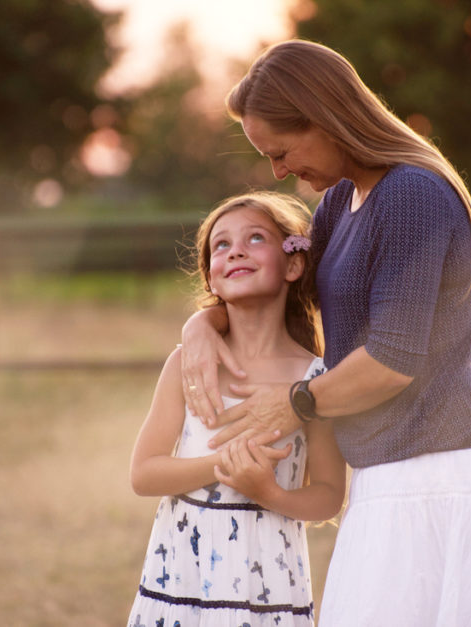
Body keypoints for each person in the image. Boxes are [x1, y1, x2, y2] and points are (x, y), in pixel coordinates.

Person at [180, 40, 471, 625]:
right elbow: (276, 285)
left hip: (432, 472)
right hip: (385, 472)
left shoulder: (411, 196)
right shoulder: (341, 201)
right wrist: (202, 323)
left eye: (280, 151)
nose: (278, 171)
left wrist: (293, 405)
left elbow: (391, 362)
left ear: (324, 119)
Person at [127, 191, 347, 627]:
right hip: (182, 582)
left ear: (293, 264)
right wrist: (224, 464)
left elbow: (328, 496)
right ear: (210, 277)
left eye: (256, 238)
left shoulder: (318, 380)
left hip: (269, 585)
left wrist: (270, 493)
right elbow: (143, 473)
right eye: (221, 245)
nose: (236, 251)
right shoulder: (187, 364)